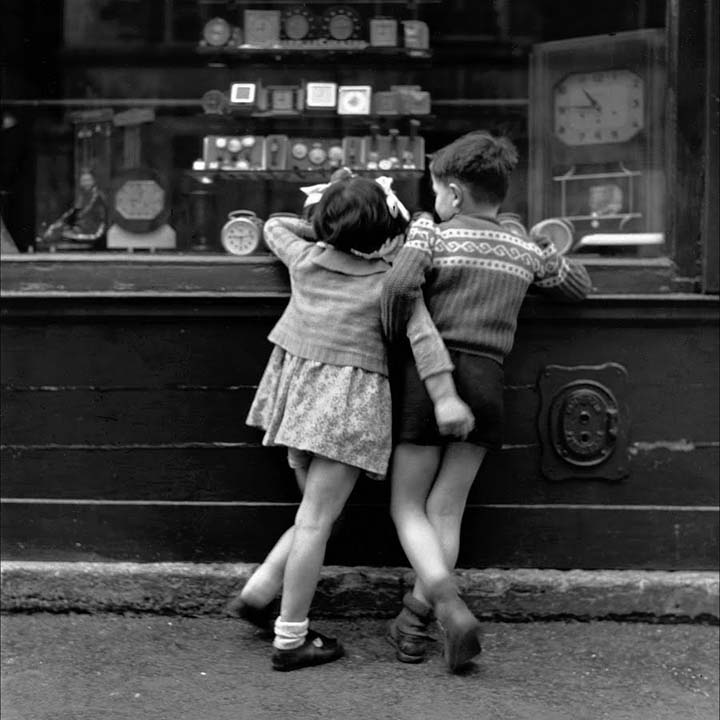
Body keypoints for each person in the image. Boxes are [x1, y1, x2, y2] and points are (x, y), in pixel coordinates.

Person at [238, 175, 474, 671]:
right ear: (388, 231)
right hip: (348, 409)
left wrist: (326, 225)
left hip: (299, 402)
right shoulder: (389, 282)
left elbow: (276, 225)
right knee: (317, 521)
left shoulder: (305, 260)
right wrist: (447, 398)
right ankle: (290, 637)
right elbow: (426, 342)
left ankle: (259, 593)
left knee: (315, 513)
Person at [380, 131, 592, 672]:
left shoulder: (432, 233)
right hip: (488, 381)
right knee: (446, 509)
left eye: (434, 193)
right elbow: (578, 286)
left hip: (432, 379)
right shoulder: (521, 249)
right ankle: (412, 622)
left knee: (408, 506)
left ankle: (447, 605)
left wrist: (391, 332)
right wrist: (542, 248)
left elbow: (399, 288)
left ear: (452, 193)